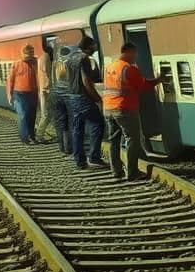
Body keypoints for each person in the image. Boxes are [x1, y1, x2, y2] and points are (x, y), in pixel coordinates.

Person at [102, 41, 164, 182]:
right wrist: (159, 80)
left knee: (114, 141)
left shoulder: (110, 67)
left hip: (108, 108)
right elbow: (144, 86)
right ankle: (132, 173)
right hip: (125, 109)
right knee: (132, 140)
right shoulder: (128, 68)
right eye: (135, 53)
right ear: (129, 52)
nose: (135, 57)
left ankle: (116, 171)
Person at [64, 35, 107, 170]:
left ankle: (79, 160)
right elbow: (85, 81)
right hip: (83, 97)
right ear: (89, 47)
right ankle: (94, 157)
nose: (95, 48)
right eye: (93, 45)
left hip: (72, 96)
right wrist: (97, 98)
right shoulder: (84, 59)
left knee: (77, 128)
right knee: (98, 123)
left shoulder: (70, 58)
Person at [6, 44, 41, 145]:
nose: (30, 55)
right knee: (23, 116)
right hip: (19, 94)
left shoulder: (35, 62)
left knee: (32, 115)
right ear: (23, 54)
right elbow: (10, 80)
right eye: (28, 54)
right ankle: (24, 138)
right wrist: (9, 94)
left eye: (32, 53)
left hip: (33, 93)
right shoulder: (16, 64)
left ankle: (31, 136)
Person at [50, 45, 74, 154]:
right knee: (69, 122)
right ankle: (68, 147)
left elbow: (52, 79)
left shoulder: (55, 63)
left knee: (59, 123)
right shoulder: (70, 63)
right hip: (67, 95)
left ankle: (62, 147)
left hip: (55, 95)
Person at [34, 42, 56, 143]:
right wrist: (49, 88)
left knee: (48, 114)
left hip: (43, 90)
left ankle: (40, 133)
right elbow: (46, 73)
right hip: (46, 90)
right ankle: (39, 135)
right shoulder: (46, 57)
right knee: (46, 114)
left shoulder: (42, 57)